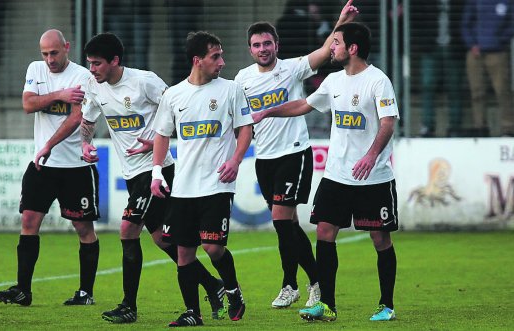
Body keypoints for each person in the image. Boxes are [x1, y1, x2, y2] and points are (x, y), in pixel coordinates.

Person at [253, 22, 399, 322]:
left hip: (373, 177)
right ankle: (327, 305)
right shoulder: (333, 81)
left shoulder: (378, 81)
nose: (332, 48)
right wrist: (268, 111)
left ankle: (386, 304)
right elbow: (303, 105)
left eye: (337, 43)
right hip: (336, 175)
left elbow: (388, 123)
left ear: (352, 49)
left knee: (379, 238)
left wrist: (371, 156)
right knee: (324, 231)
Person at [78, 32, 226, 324]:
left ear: (115, 61)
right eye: (90, 63)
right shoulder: (93, 87)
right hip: (132, 174)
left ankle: (128, 306)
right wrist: (86, 143)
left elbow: (176, 107)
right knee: (162, 240)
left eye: (97, 63)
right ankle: (213, 285)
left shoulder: (144, 81)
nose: (92, 69)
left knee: (127, 230)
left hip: (157, 170)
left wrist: (156, 139)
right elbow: (88, 119)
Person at [234, 0, 358, 309]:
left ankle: (290, 284)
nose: (262, 49)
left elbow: (326, 50)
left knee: (279, 219)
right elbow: (237, 119)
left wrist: (341, 20)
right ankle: (315, 281)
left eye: (267, 43)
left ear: (277, 44)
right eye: (256, 45)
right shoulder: (242, 80)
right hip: (264, 158)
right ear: (250, 49)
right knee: (287, 223)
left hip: (295, 153)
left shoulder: (291, 68)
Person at [151, 31, 254, 327]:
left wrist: (235, 160)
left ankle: (232, 290)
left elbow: (245, 129)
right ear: (198, 61)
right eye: (215, 56)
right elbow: (161, 135)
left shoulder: (231, 90)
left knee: (213, 248)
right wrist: (157, 172)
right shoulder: (173, 95)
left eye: (221, 55)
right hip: (183, 188)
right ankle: (192, 313)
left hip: (217, 185)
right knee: (184, 253)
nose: (221, 62)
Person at [0, 29, 100, 307]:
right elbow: (28, 104)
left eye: (54, 52)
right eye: (45, 54)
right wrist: (60, 95)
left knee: (83, 227)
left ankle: (85, 293)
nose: (50, 59)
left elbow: (78, 118)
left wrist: (49, 144)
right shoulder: (36, 69)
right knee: (29, 221)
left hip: (75, 166)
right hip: (42, 166)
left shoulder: (83, 77)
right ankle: (23, 290)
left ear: (67, 47)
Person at [413, 0, 465, 137]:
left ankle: (455, 127)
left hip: (453, 48)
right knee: (428, 85)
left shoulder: (458, 3)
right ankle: (427, 126)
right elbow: (417, 20)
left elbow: (464, 20)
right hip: (430, 48)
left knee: (454, 87)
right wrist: (422, 42)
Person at [462, 0, 514, 137]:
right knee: (477, 91)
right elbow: (466, 23)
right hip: (475, 54)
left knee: (502, 90)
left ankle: (508, 128)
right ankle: (480, 127)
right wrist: (472, 43)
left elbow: (511, 25)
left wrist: (499, 41)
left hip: (497, 53)